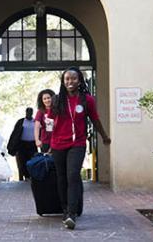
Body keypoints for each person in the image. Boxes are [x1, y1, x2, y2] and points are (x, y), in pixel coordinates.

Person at [48, 67, 111, 230]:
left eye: (74, 79)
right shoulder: (56, 100)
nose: (70, 82)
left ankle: (72, 213)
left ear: (80, 80)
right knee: (61, 178)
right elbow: (49, 123)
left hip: (77, 143)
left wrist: (104, 136)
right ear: (63, 82)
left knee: (73, 175)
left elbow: (95, 119)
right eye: (67, 79)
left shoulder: (87, 100)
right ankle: (65, 209)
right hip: (58, 144)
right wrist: (47, 143)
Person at [8, 107, 37, 181]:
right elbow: (15, 133)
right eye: (28, 112)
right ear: (25, 112)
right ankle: (23, 176)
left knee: (33, 160)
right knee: (22, 161)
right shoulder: (21, 121)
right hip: (22, 144)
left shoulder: (35, 121)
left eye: (30, 112)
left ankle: (32, 176)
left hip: (32, 144)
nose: (29, 114)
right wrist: (12, 146)